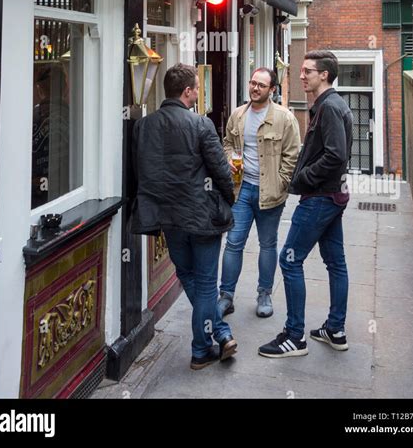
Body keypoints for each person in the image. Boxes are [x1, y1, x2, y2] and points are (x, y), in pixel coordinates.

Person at [131, 63, 237, 370]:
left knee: (188, 276)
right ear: (187, 91)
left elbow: (141, 172)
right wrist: (229, 200)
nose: (197, 93)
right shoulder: (201, 125)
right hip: (202, 218)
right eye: (195, 88)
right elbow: (221, 171)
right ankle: (202, 349)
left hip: (169, 218)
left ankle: (219, 332)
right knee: (205, 284)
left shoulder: (144, 126)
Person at [259, 50, 353, 358]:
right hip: (332, 196)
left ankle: (294, 336)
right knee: (335, 262)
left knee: (289, 260)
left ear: (324, 75)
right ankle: (335, 329)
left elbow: (336, 155)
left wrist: (303, 178)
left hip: (320, 198)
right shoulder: (331, 105)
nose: (301, 76)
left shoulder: (329, 108)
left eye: (307, 71)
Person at [217, 68, 301, 319]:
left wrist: (282, 182)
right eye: (253, 83)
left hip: (270, 193)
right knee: (233, 243)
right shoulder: (238, 115)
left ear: (272, 90)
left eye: (261, 85)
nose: (254, 88)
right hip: (241, 190)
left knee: (268, 245)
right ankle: (226, 296)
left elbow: (292, 155)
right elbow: (227, 144)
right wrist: (228, 158)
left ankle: (264, 293)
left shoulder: (285, 119)